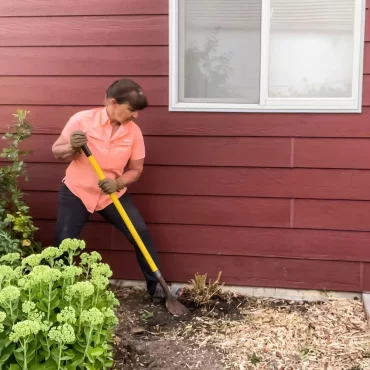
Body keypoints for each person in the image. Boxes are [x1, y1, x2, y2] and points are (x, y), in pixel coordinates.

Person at [51, 78, 171, 301]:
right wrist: (72, 146)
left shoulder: (133, 132)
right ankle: (54, 292)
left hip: (111, 194)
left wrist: (118, 183)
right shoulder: (82, 120)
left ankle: (158, 289)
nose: (135, 116)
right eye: (131, 110)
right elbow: (57, 151)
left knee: (140, 233)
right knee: (64, 243)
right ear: (113, 102)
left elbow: (136, 169)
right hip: (78, 191)